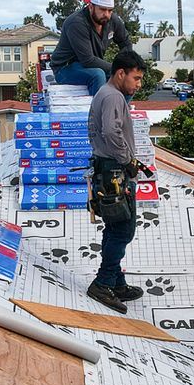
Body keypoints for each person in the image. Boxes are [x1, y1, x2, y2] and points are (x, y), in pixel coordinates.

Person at [86, 50, 148, 312]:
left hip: (110, 168)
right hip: (114, 171)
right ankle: (103, 282)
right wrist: (128, 161)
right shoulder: (112, 96)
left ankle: (116, 281)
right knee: (122, 229)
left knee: (116, 227)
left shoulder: (109, 94)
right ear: (120, 73)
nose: (138, 84)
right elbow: (111, 132)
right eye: (136, 78)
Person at [49, 0, 134, 95]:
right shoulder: (76, 23)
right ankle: (99, 110)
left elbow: (125, 42)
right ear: (91, 7)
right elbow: (88, 60)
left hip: (90, 65)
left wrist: (125, 66)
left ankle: (121, 108)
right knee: (98, 74)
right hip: (65, 69)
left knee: (128, 78)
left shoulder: (112, 20)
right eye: (102, 9)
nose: (106, 14)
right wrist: (117, 68)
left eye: (110, 10)